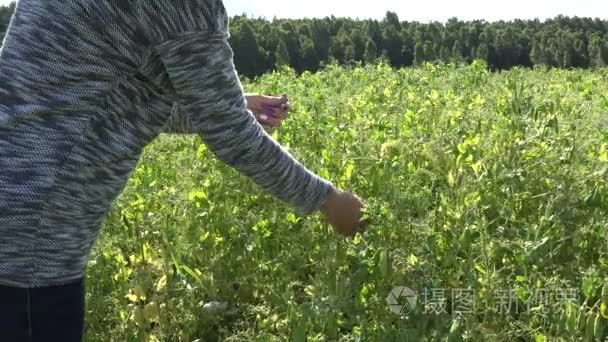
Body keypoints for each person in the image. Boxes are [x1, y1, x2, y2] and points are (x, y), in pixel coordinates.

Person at [0, 0, 367, 340]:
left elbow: (108, 95)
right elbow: (232, 135)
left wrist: (228, 106)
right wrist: (329, 200)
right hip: (30, 235)